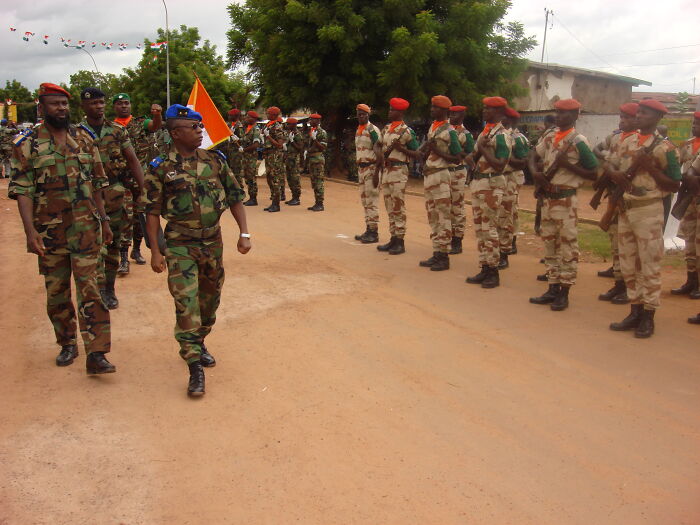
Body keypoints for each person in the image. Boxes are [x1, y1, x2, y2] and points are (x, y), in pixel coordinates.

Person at [142, 104, 251, 396]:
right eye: (194, 127)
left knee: (209, 300)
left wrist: (244, 232)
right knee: (186, 302)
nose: (200, 131)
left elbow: (235, 196)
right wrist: (155, 250)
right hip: (179, 243)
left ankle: (199, 340)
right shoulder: (160, 167)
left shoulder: (215, 161)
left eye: (200, 126)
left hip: (212, 242)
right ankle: (194, 366)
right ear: (176, 133)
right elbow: (151, 212)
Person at [8, 83, 115, 373]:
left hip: (86, 229)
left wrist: (104, 221)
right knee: (56, 293)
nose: (62, 109)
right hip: (49, 233)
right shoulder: (27, 144)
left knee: (91, 290)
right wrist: (30, 233)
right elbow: (23, 191)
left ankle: (97, 352)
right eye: (55, 104)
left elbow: (96, 183)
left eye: (65, 104)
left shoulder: (84, 139)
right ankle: (67, 342)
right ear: (42, 108)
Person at [607, 99, 681, 338]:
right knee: (628, 263)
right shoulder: (626, 140)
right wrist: (617, 175)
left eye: (645, 113)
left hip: (649, 209)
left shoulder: (666, 148)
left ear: (658, 118)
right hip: (626, 208)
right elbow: (610, 166)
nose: (638, 116)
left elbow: (674, 183)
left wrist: (651, 167)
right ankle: (634, 309)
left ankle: (648, 315)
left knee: (648, 264)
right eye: (638, 112)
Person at [527, 99, 598, 311]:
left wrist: (568, 165)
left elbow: (593, 172)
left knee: (567, 246)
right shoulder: (549, 136)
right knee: (549, 243)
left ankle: (564, 292)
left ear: (576, 115)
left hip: (566, 198)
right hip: (548, 197)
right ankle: (552, 286)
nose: (560, 116)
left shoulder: (578, 141)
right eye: (558, 112)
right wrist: (535, 174)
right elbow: (533, 154)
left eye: (565, 113)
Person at [79, 87, 144, 310]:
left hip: (114, 192)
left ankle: (109, 287)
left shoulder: (116, 130)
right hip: (85, 196)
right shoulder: (75, 132)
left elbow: (133, 160)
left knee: (113, 243)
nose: (98, 106)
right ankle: (91, 289)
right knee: (89, 244)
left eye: (101, 102)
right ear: (84, 106)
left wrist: (143, 189)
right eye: (93, 103)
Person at [112, 93, 163, 272]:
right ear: (114, 107)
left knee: (141, 215)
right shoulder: (111, 127)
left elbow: (156, 126)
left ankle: (137, 250)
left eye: (126, 103)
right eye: (120, 104)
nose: (124, 106)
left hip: (141, 177)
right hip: (121, 179)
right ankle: (124, 257)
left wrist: (157, 114)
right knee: (126, 216)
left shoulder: (141, 123)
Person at [594, 102, 639, 304]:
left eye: (627, 118)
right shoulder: (614, 138)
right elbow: (598, 150)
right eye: (621, 117)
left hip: (630, 199)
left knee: (629, 247)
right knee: (615, 243)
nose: (622, 121)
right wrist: (608, 160)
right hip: (614, 195)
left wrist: (611, 166)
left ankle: (630, 288)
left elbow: (628, 172)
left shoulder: (640, 141)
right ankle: (619, 283)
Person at [466, 96, 511, 289]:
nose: (484, 112)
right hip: (479, 182)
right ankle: (484, 266)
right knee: (480, 228)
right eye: (484, 109)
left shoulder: (501, 135)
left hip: (492, 184)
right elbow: (475, 156)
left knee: (490, 228)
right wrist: (472, 157)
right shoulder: (486, 132)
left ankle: (493, 271)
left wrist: (483, 149)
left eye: (489, 109)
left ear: (499, 113)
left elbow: (500, 164)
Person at [417, 95, 463, 271]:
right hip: (430, 175)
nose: (432, 110)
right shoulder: (433, 127)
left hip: (442, 175)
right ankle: (437, 252)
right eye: (432, 107)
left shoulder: (450, 130)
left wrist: (437, 151)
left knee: (443, 217)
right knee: (433, 216)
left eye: (435, 108)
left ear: (444, 111)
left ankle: (444, 257)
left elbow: (458, 158)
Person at [377, 98, 420, 255]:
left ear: (400, 112)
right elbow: (378, 145)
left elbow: (417, 154)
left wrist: (400, 148)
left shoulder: (407, 132)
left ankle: (400, 241)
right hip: (387, 170)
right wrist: (380, 156)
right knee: (389, 205)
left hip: (399, 170)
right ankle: (393, 238)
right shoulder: (386, 128)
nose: (389, 112)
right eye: (390, 109)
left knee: (398, 206)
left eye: (392, 109)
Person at [671, 111, 700, 299]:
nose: (695, 126)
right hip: (689, 198)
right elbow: (675, 167)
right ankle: (691, 280)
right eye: (694, 122)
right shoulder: (687, 145)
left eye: (698, 123)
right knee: (689, 239)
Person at [498, 107, 529, 268]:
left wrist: (504, 160)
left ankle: (508, 246)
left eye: (502, 118)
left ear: (509, 120)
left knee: (509, 212)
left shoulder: (518, 138)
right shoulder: (500, 135)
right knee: (502, 212)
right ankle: (505, 243)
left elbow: (523, 162)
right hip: (500, 177)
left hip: (511, 178)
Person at [446, 105, 475, 255]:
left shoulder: (466, 134)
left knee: (457, 206)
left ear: (462, 115)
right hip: (444, 171)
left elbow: (470, 154)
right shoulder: (445, 130)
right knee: (445, 206)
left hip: (457, 172)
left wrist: (455, 154)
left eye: (455, 114)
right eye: (450, 113)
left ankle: (457, 240)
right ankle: (447, 237)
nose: (451, 116)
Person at [353, 103, 382, 244]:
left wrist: (377, 172)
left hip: (371, 168)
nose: (360, 116)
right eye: (359, 114)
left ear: (368, 115)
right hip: (361, 168)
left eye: (363, 114)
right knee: (365, 200)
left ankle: (374, 232)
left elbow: (380, 151)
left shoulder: (372, 130)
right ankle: (368, 228)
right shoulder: (359, 129)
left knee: (372, 200)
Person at [306, 113, 328, 211]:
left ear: (318, 121)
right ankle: (316, 202)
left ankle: (320, 203)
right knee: (314, 181)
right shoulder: (312, 131)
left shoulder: (321, 132)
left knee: (319, 181)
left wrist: (315, 139)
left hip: (318, 159)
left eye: (312, 120)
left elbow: (322, 147)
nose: (310, 121)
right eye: (310, 119)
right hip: (312, 159)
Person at [241, 110, 262, 206]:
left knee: (251, 178)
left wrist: (244, 150)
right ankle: (251, 197)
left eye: (248, 117)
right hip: (246, 157)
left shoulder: (255, 129)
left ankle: (253, 198)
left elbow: (256, 145)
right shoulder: (248, 128)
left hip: (251, 157)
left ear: (253, 119)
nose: (246, 118)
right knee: (247, 177)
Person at [283, 117, 304, 206]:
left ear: (294, 125)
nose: (287, 125)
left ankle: (297, 198)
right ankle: (293, 197)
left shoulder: (298, 134)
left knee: (295, 179)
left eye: (288, 124)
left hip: (294, 160)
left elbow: (300, 148)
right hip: (289, 159)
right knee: (289, 178)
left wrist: (292, 142)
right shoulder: (289, 133)